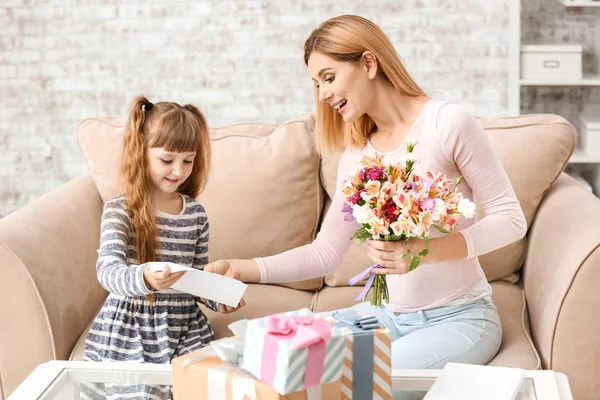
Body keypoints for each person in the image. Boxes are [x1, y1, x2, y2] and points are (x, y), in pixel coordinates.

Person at [206, 15, 527, 369]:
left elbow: (510, 219)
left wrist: (424, 250)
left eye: (329, 78)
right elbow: (326, 252)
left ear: (369, 63)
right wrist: (241, 268)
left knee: (359, 379)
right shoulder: (358, 156)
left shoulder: (446, 123)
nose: (323, 94)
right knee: (263, 352)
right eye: (316, 84)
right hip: (383, 317)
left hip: (459, 319)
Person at [82, 96, 244, 399]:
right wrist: (144, 278)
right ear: (141, 153)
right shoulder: (121, 209)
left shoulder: (195, 214)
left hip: (183, 325)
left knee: (215, 386)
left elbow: (195, 280)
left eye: (188, 160)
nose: (178, 171)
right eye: (167, 160)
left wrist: (221, 298)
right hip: (132, 327)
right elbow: (107, 271)